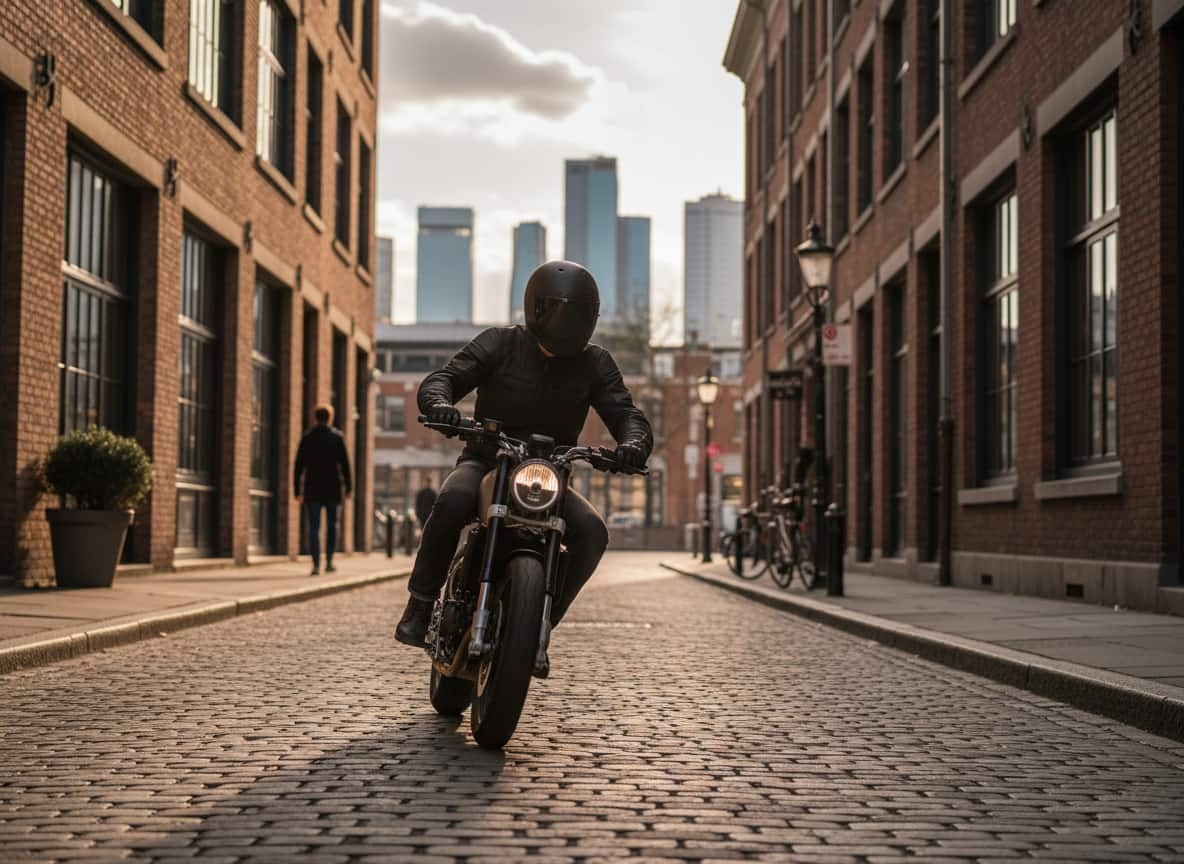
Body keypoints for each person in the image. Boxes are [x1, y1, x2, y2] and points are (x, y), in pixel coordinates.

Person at [395, 260, 652, 654]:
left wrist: (633, 444)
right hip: (486, 461)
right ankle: (420, 603)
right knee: (453, 499)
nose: (565, 322)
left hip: (547, 475)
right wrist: (440, 404)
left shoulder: (596, 363)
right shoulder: (500, 342)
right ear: (537, 307)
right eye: (558, 310)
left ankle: (539, 621)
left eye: (576, 313)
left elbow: (624, 413)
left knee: (593, 532)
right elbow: (447, 377)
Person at [294, 404, 352, 575]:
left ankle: (315, 564)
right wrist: (349, 487)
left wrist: (297, 491)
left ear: (315, 418)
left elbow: (298, 466)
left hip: (312, 489)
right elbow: (345, 465)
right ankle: (329, 561)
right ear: (330, 418)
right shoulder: (337, 437)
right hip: (332, 489)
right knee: (333, 526)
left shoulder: (308, 437)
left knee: (314, 527)